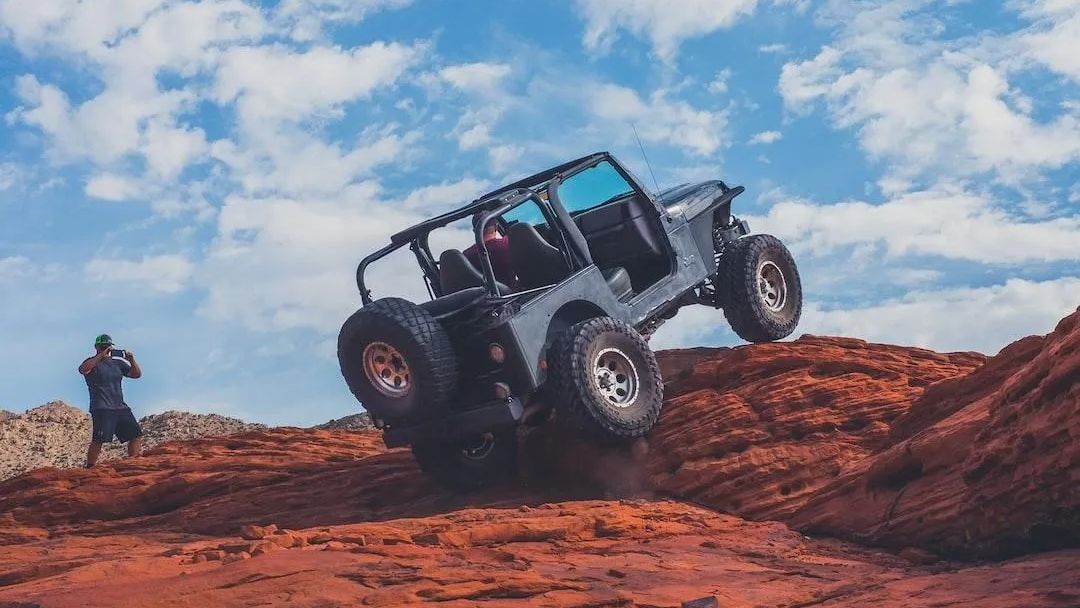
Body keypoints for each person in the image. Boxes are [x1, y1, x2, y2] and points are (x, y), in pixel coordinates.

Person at [78, 334, 144, 467]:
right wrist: (100, 356)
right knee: (99, 439)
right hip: (102, 407)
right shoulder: (91, 362)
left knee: (135, 434)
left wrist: (131, 359)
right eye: (102, 346)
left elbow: (136, 374)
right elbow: (83, 370)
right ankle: (90, 466)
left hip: (120, 406)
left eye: (107, 346)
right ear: (96, 347)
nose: (105, 348)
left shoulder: (117, 363)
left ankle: (134, 462)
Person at [464, 216, 517, 288]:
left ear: (475, 231)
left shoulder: (465, 257)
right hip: (515, 296)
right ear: (496, 226)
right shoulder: (509, 243)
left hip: (485, 298)